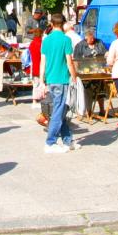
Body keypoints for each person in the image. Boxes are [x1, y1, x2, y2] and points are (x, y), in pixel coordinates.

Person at [40, 12, 79, 153]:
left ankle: (68, 140)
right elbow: (69, 61)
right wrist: (74, 77)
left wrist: (41, 81)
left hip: (50, 79)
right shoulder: (66, 39)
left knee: (60, 110)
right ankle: (50, 142)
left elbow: (42, 62)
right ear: (63, 24)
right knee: (58, 111)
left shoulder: (46, 40)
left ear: (51, 24)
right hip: (62, 79)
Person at [28, 27, 44, 110]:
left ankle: (34, 101)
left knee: (35, 84)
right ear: (41, 34)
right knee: (41, 84)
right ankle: (39, 100)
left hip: (34, 65)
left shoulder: (32, 43)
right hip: (41, 66)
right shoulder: (42, 43)